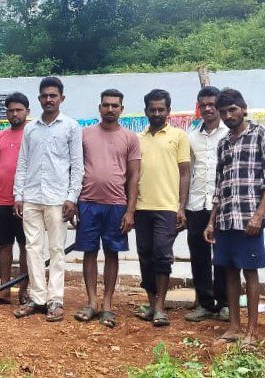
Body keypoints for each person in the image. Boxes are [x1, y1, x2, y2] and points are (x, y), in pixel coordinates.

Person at [202, 88, 265, 344]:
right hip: (225, 218)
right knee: (229, 272)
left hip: (249, 219)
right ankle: (234, 327)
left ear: (243, 107)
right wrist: (212, 221)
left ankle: (252, 331)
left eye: (232, 109)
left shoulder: (262, 134)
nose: (227, 115)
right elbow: (219, 186)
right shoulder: (224, 143)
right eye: (223, 112)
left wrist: (259, 214)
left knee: (251, 272)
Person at [12, 77, 84, 322]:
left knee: (55, 250)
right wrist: (18, 195)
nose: (49, 99)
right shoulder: (30, 129)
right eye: (44, 95)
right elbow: (22, 163)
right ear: (39, 99)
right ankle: (37, 297)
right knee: (32, 248)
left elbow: (77, 165)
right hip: (31, 196)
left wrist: (71, 197)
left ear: (61, 98)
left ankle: (55, 299)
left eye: (53, 95)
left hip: (57, 198)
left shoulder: (71, 127)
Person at [73, 89, 141, 328]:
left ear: (122, 109)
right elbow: (74, 169)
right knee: (89, 252)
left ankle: (108, 304)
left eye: (115, 105)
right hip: (87, 203)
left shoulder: (130, 138)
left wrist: (130, 210)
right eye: (106, 105)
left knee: (112, 253)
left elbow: (134, 177)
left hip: (116, 205)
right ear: (99, 107)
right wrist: (73, 201)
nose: (110, 109)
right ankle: (92, 301)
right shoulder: (85, 135)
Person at [133, 89, 191, 327]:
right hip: (141, 207)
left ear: (168, 111)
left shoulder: (178, 136)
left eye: (161, 109)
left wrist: (181, 206)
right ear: (146, 111)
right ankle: (150, 302)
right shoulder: (137, 138)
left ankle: (160, 307)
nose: (157, 113)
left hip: (167, 207)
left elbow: (185, 173)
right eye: (153, 109)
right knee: (145, 255)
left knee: (162, 255)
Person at [184, 86, 230, 323]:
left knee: (222, 254)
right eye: (203, 105)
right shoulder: (191, 136)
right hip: (196, 204)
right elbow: (186, 172)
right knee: (198, 254)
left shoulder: (229, 134)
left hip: (223, 205)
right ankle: (205, 303)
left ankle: (225, 304)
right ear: (198, 108)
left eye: (212, 104)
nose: (208, 108)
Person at [0, 92, 30, 305]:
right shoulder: (0, 136)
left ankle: (25, 290)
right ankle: (4, 289)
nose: (14, 113)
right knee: (4, 246)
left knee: (27, 246)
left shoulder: (33, 133)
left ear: (28, 111)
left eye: (18, 110)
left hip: (27, 201)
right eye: (10, 110)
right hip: (0, 200)